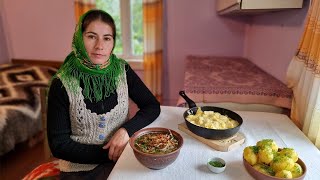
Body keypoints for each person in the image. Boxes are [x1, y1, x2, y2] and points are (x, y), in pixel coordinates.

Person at [47, 9, 160, 179]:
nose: (100, 46)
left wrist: (125, 131)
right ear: (79, 37)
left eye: (107, 38)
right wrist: (111, 153)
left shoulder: (123, 70)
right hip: (79, 170)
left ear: (113, 42)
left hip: (122, 162)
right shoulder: (62, 83)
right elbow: (59, 145)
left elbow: (152, 106)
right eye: (91, 36)